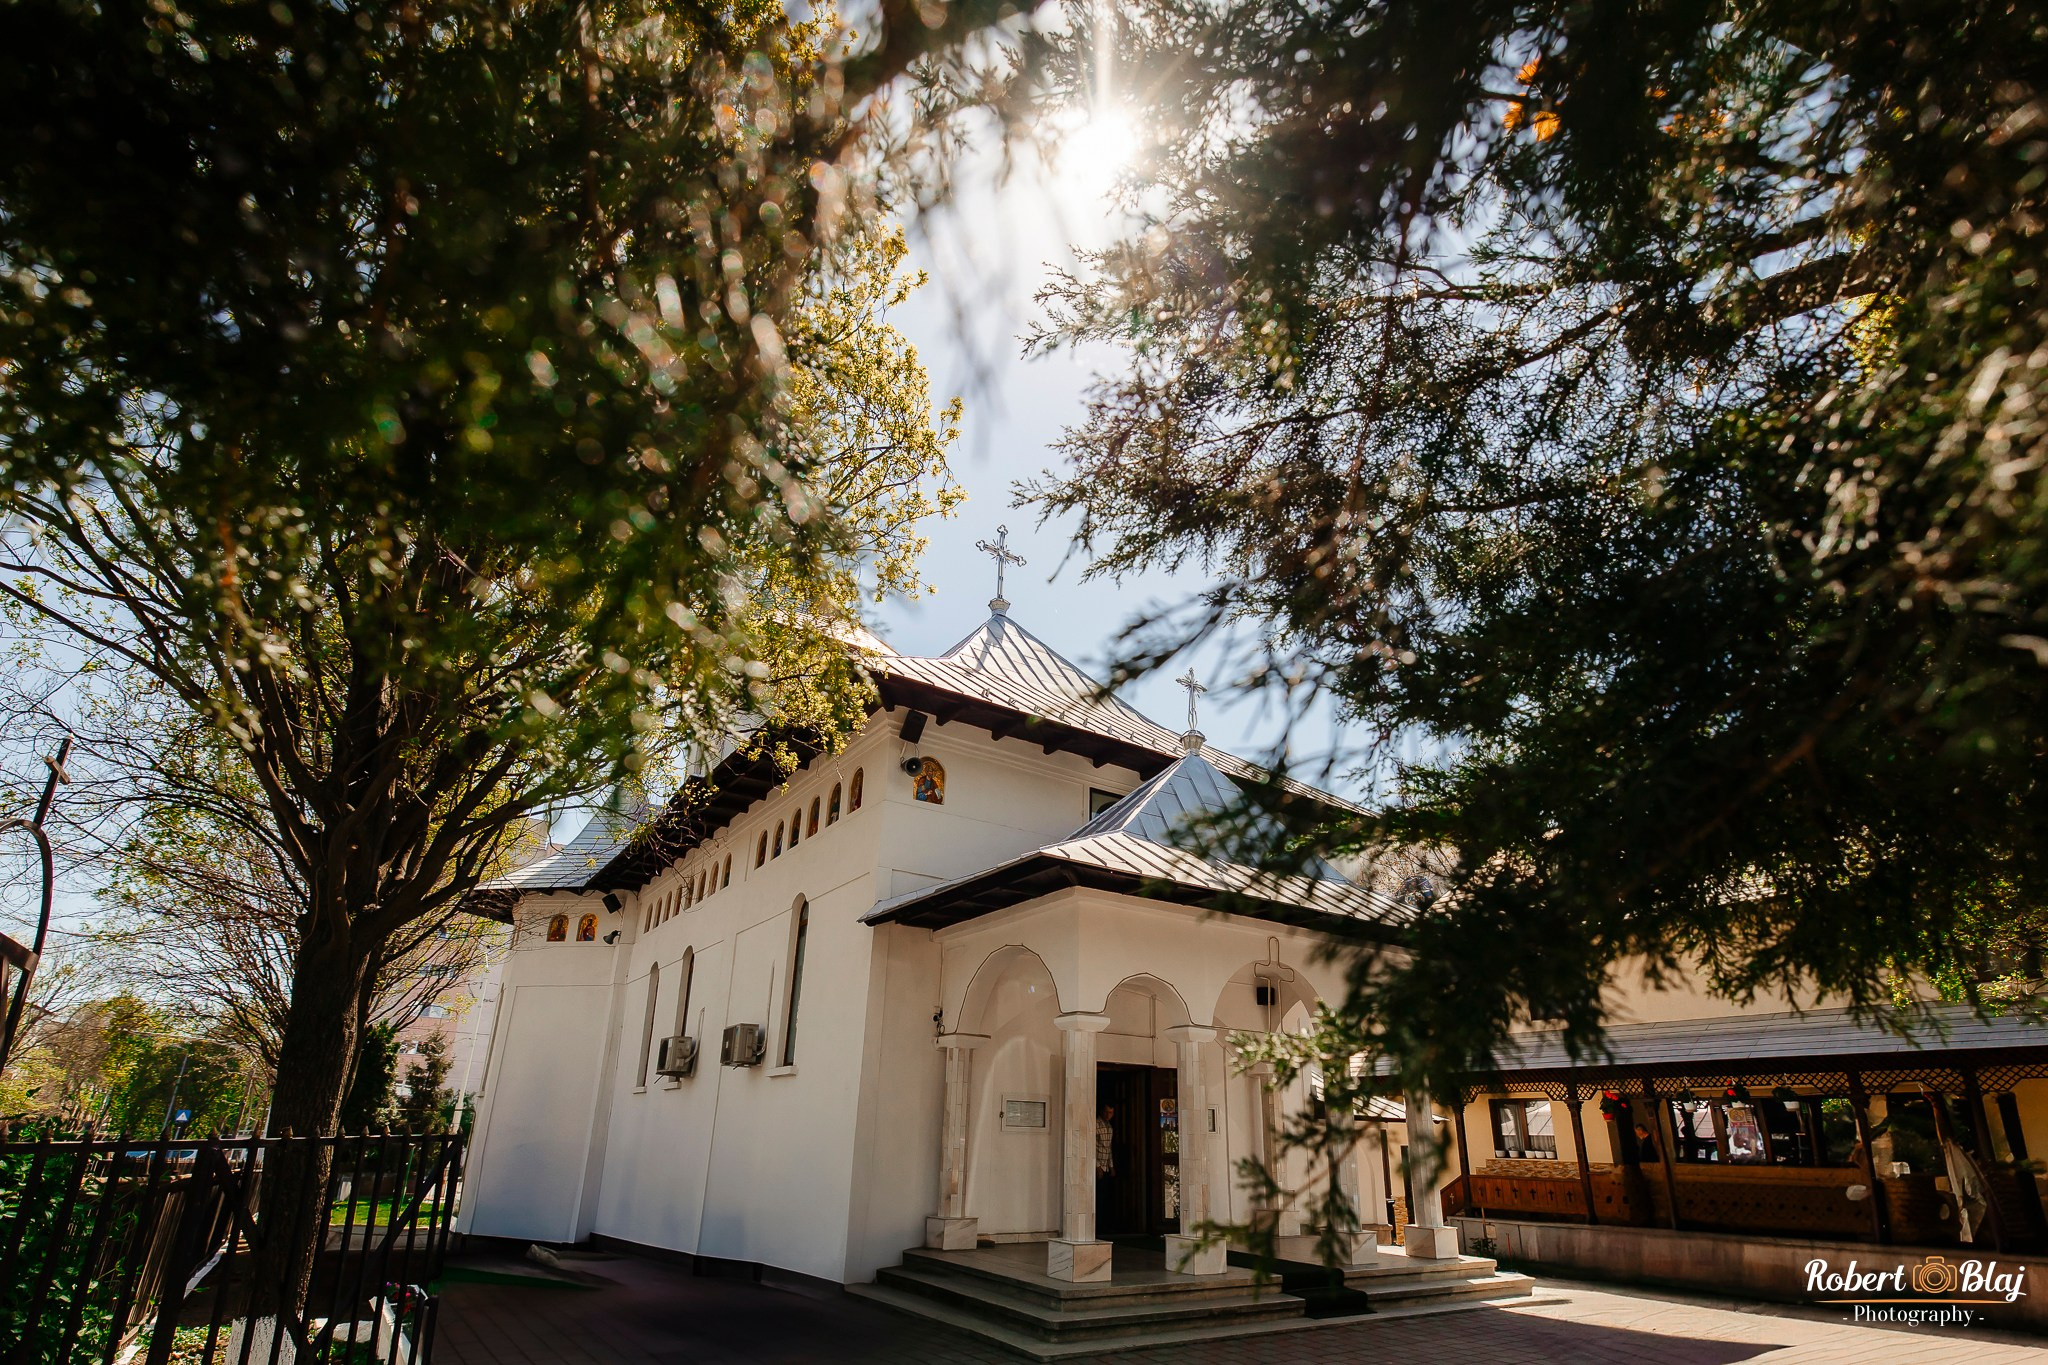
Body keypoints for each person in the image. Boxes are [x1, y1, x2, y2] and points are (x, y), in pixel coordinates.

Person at [1097, 1105, 1117, 1177]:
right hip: (1097, 1165)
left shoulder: (1109, 1127)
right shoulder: (1096, 1125)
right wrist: (1097, 1166)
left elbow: (1108, 1148)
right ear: (1102, 1111)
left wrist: (1111, 1166)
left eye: (1110, 1113)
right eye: (1106, 1112)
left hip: (1106, 1167)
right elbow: (1091, 1147)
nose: (1108, 1115)